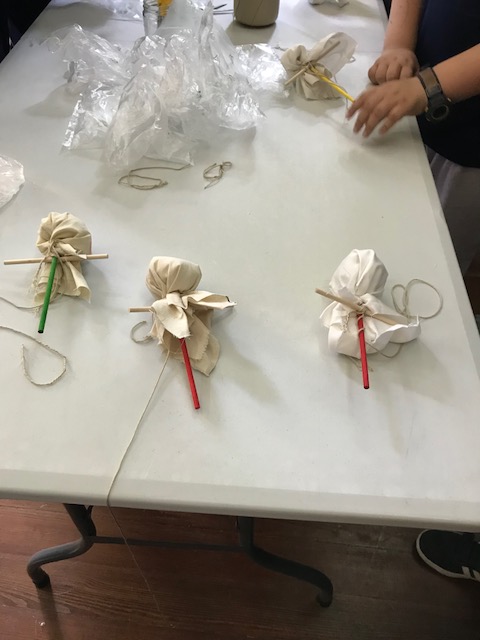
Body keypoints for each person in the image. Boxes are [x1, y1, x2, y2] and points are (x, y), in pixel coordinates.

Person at [348, 0, 480, 582]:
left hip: (468, 145)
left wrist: (428, 85)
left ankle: (425, 450)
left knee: (432, 286)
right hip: (424, 110)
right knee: (398, 259)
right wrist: (399, 41)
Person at [347, 0, 480, 276]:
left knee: (436, 266)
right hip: (414, 102)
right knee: (379, 227)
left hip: (467, 153)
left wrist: (429, 86)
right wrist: (398, 45)